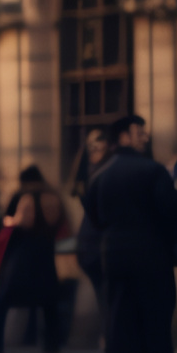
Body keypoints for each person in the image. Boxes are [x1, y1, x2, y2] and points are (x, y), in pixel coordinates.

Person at [85, 113, 177, 353]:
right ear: (124, 136)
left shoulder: (99, 175)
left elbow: (95, 217)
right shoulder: (153, 171)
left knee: (119, 317)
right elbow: (171, 212)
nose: (145, 136)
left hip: (113, 254)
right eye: (140, 131)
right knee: (158, 315)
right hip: (152, 253)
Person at [0, 166, 68, 353]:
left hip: (21, 256)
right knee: (49, 301)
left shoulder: (21, 196)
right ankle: (52, 344)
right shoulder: (53, 197)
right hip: (46, 254)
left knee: (4, 298)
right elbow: (63, 224)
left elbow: (8, 221)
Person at [72, 127, 115, 326]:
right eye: (92, 145)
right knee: (107, 297)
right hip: (95, 245)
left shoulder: (102, 170)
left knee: (108, 296)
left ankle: (111, 338)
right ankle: (111, 338)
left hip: (97, 245)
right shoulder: (94, 172)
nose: (95, 148)